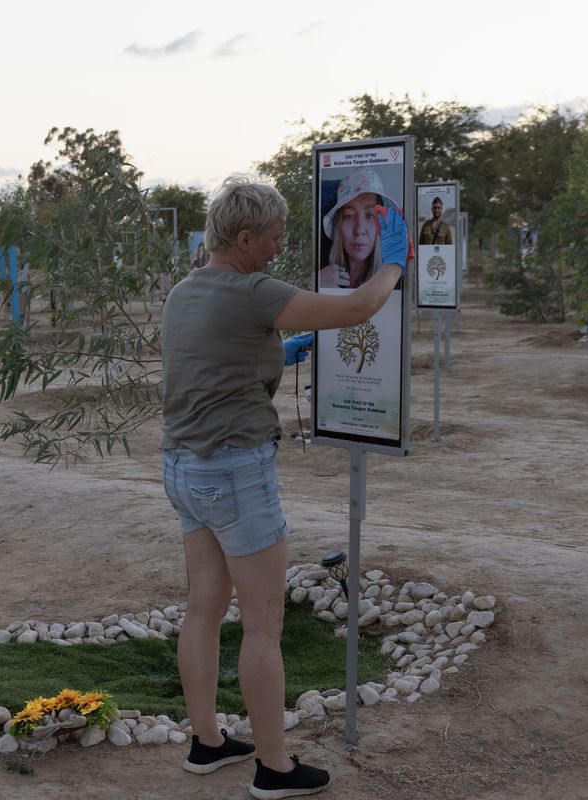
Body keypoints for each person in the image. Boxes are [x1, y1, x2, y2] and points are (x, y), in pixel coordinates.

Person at [160, 174, 408, 799]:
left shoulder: (185, 291)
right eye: (271, 238)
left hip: (184, 470)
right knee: (263, 623)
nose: (278, 249)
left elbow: (222, 353)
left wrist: (276, 348)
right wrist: (397, 262)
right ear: (243, 238)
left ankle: (207, 743)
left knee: (203, 609)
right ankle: (274, 768)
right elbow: (356, 308)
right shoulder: (253, 292)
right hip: (236, 475)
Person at [317, 166, 403, 289]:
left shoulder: (394, 283)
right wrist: (316, 285)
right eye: (349, 216)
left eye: (370, 216)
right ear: (338, 225)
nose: (359, 230)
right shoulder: (320, 274)